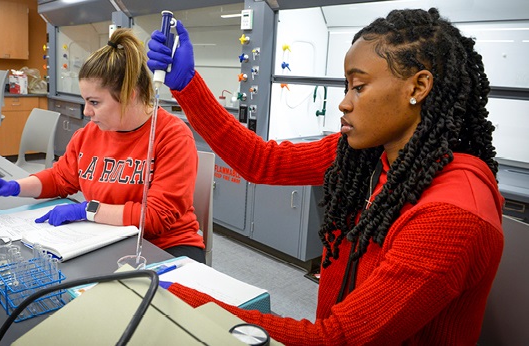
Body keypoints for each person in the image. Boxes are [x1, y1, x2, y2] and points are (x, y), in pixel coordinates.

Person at [147, 8, 504, 345]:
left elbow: (337, 340)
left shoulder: (452, 214)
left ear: (418, 87)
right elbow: (261, 162)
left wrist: (180, 299)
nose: (344, 103)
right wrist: (188, 84)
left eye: (359, 87)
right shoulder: (365, 156)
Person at [0, 28, 206, 263]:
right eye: (85, 101)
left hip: (164, 246)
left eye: (94, 102)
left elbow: (155, 216)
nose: (87, 112)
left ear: (130, 95)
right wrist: (14, 187)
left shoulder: (172, 136)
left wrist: (86, 210)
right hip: (108, 236)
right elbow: (59, 178)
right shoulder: (89, 135)